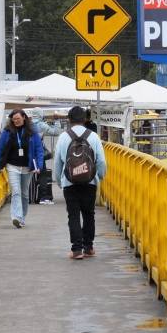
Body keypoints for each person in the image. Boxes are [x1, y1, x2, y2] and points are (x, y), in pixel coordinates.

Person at [53, 106, 107, 260]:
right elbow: (101, 161)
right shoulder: (94, 136)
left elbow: (58, 162)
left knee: (74, 215)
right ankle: (88, 247)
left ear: (69, 119)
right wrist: (99, 176)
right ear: (85, 119)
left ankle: (77, 250)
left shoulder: (64, 137)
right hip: (90, 181)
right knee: (89, 214)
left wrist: (59, 180)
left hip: (70, 183)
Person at [0, 109, 45, 229]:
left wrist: (39, 166)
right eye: (13, 119)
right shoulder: (7, 132)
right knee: (16, 192)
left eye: (18, 118)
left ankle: (22, 218)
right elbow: (0, 150)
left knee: (24, 194)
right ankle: (16, 217)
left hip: (28, 167)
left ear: (24, 117)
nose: (15, 121)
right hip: (12, 166)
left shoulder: (32, 132)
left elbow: (39, 150)